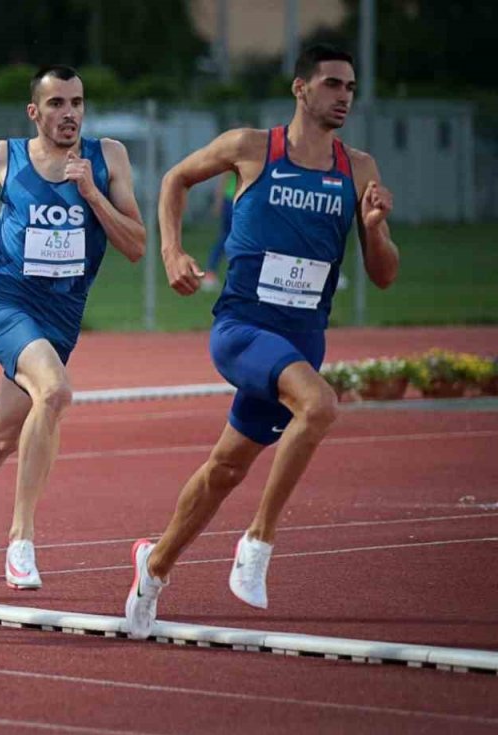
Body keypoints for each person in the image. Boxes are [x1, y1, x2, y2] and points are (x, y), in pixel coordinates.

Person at [124, 44, 399, 639]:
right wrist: (172, 250)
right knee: (321, 406)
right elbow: (175, 179)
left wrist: (374, 230)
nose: (344, 95)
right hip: (243, 329)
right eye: (332, 84)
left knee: (225, 468)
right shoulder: (252, 147)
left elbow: (383, 274)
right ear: (301, 89)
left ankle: (154, 566)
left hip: (303, 338)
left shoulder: (360, 168)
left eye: (350, 86)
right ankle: (258, 542)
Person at [0, 65, 145, 589]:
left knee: (2, 438)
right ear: (34, 112)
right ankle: (21, 541)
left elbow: (135, 245)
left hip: (63, 315)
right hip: (7, 302)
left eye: (76, 103)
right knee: (55, 392)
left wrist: (93, 195)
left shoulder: (108, 158)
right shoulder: (7, 155)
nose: (69, 114)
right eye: (56, 104)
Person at [201, 169, 237, 292]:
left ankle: (212, 272)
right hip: (233, 201)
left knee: (226, 238)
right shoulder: (240, 155)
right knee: (228, 238)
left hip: (233, 200)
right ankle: (211, 273)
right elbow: (224, 178)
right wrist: (219, 200)